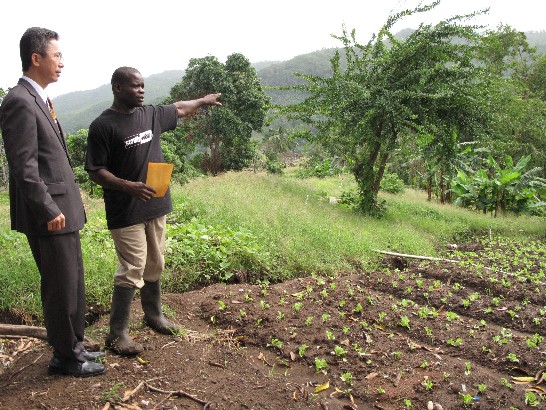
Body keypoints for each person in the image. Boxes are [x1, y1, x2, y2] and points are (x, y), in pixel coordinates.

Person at [85, 66, 221, 356]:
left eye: (143, 86)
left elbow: (179, 108)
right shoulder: (103, 125)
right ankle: (118, 333)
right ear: (118, 88)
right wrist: (127, 186)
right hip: (126, 210)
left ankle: (153, 315)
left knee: (155, 262)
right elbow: (95, 171)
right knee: (133, 267)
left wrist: (201, 101)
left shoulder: (150, 115)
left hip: (156, 204)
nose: (141, 90)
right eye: (135, 86)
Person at [0, 27, 105, 377]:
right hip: (51, 214)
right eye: (57, 55)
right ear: (36, 58)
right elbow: (24, 167)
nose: (62, 62)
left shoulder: (39, 98)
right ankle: (65, 357)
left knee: (72, 281)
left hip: (64, 211)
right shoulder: (18, 101)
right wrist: (48, 209)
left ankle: (74, 348)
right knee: (60, 287)